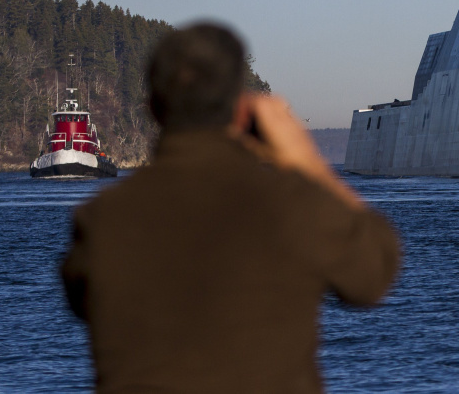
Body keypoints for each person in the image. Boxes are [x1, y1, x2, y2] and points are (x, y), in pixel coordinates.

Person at [61, 23, 400, 393]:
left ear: (154, 110)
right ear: (242, 110)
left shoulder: (102, 219)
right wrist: (305, 162)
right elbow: (373, 276)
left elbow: (82, 298)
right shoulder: (290, 203)